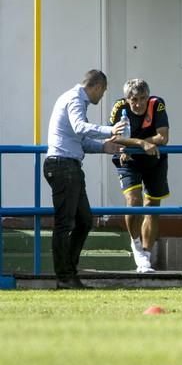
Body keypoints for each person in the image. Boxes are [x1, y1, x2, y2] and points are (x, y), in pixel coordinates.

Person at [44, 70, 125, 289]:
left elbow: (79, 140)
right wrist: (109, 130)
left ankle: (69, 273)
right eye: (103, 91)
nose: (102, 96)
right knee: (66, 223)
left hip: (67, 166)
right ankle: (64, 277)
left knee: (84, 220)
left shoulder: (75, 99)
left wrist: (104, 147)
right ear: (97, 86)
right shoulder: (75, 99)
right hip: (63, 166)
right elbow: (80, 127)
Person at [109, 79, 170, 273]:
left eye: (142, 98)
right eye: (134, 99)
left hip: (154, 160)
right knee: (133, 201)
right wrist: (141, 144)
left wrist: (133, 143)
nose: (139, 103)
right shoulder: (119, 107)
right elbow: (114, 138)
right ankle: (135, 242)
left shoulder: (157, 104)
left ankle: (146, 256)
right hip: (128, 160)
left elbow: (163, 137)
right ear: (127, 99)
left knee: (152, 207)